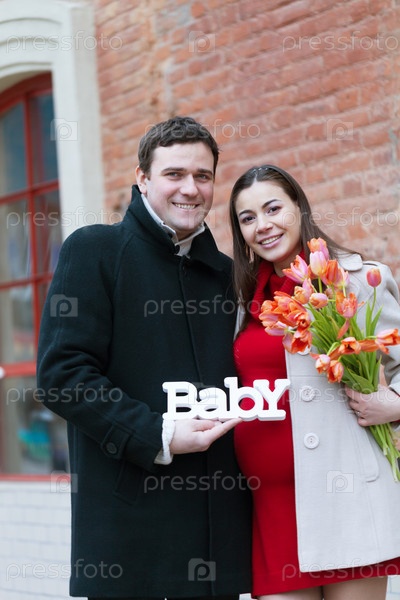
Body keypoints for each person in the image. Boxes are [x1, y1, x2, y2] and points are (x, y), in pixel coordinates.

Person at [36, 116, 252, 600]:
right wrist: (158, 433)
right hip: (128, 543)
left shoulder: (227, 275)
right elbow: (61, 376)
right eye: (174, 174)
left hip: (218, 543)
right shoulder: (94, 250)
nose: (190, 188)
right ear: (143, 178)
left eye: (202, 176)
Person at [228, 164, 400, 600]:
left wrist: (394, 403)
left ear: (299, 208)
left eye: (273, 209)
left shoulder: (355, 280)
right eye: (247, 218)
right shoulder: (242, 300)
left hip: (347, 495)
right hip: (269, 503)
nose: (262, 225)